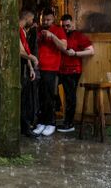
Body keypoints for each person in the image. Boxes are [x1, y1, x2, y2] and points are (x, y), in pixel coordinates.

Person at [33, 8, 68, 136]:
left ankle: (51, 123)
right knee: (40, 96)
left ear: (53, 19)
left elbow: (64, 47)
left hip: (51, 68)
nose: (46, 22)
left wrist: (52, 36)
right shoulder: (38, 30)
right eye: (44, 20)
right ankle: (41, 122)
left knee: (49, 96)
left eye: (48, 20)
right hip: (39, 68)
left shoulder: (58, 30)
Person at [58, 14, 94, 132]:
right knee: (55, 94)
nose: (66, 28)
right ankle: (61, 121)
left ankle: (69, 124)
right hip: (60, 70)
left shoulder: (78, 35)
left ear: (73, 23)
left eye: (68, 26)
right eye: (63, 26)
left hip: (73, 70)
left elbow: (91, 51)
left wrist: (75, 54)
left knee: (70, 97)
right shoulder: (60, 34)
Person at [18, 10, 39, 137]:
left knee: (25, 100)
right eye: (32, 19)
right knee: (23, 100)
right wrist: (33, 59)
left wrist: (30, 67)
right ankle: (24, 127)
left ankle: (25, 126)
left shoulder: (23, 32)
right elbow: (19, 51)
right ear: (27, 18)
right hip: (19, 68)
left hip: (25, 68)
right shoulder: (17, 30)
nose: (33, 21)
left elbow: (26, 50)